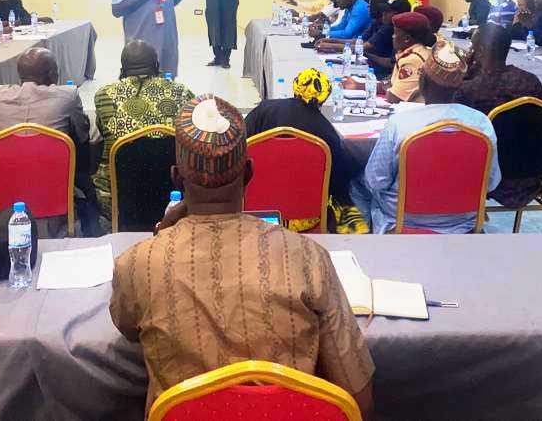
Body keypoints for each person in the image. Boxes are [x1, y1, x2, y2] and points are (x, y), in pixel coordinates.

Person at [109, 94, 375, 418]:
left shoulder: (137, 264)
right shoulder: (309, 257)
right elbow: (357, 399)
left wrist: (162, 234)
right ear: (248, 172)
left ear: (176, 177)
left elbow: (128, 327)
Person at [351, 40, 500, 234]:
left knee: (356, 184)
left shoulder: (400, 124)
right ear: (458, 87)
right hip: (463, 224)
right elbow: (491, 183)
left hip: (403, 221)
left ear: (422, 83)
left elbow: (375, 181)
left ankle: (366, 242)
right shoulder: (482, 124)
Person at [0, 46, 97, 230]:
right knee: (85, 173)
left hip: (1, 199)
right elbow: (82, 136)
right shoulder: (68, 95)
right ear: (52, 74)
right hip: (53, 195)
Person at [244, 68, 368, 232]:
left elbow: (240, 145)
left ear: (295, 87)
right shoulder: (327, 132)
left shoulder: (264, 110)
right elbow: (336, 181)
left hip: (258, 214)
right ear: (324, 97)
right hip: (306, 219)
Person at [93, 40, 194, 227]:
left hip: (119, 196)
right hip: (174, 195)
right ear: (157, 66)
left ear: (122, 69)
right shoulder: (182, 93)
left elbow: (103, 131)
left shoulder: (103, 96)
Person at [456, 23, 542, 114]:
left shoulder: (470, 90)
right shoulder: (532, 81)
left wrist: (464, 71)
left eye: (472, 44)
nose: (470, 48)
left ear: (480, 51)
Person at [385, 11, 436, 103]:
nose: (392, 36)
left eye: (395, 33)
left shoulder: (413, 60)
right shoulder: (421, 50)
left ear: (407, 39)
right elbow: (391, 84)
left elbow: (394, 98)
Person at [363, 0, 411, 78]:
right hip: (380, 71)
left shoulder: (392, 30)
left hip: (383, 73)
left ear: (397, 15)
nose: (383, 14)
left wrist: (365, 54)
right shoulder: (385, 25)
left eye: (387, 12)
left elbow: (391, 64)